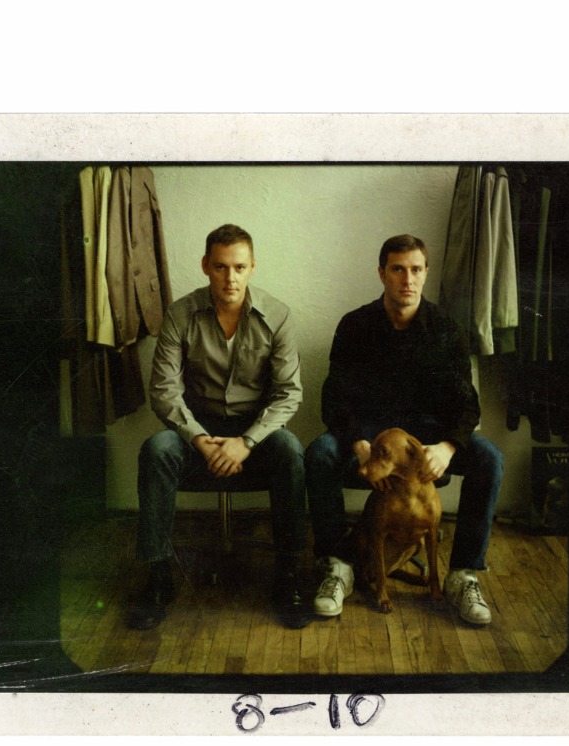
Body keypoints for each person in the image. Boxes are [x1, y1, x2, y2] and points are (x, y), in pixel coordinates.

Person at [306, 234, 504, 625]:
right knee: (320, 453)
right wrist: (358, 442)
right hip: (371, 438)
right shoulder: (355, 325)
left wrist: (447, 447)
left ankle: (463, 574)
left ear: (426, 273)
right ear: (382, 273)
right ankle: (338, 567)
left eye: (416, 270)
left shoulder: (446, 328)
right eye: (398, 269)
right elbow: (334, 398)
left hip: (429, 441)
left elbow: (468, 404)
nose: (407, 279)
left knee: (489, 458)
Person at [129, 224, 312, 631]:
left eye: (239, 267)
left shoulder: (277, 315)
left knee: (290, 449)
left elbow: (288, 394)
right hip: (198, 430)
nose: (231, 277)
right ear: (205, 266)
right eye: (221, 267)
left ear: (252, 268)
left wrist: (246, 442)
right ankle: (158, 577)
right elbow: (164, 390)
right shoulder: (180, 314)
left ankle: (288, 575)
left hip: (256, 432)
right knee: (157, 449)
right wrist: (199, 439)